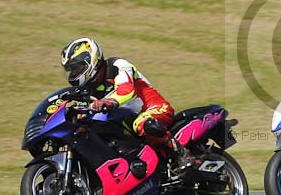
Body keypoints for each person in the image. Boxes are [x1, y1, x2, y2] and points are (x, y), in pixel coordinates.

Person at [60, 37, 193, 177]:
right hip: (125, 120)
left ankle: (181, 153)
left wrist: (107, 102)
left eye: (77, 68)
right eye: (71, 70)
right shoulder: (89, 87)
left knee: (142, 124)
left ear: (91, 60)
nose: (74, 74)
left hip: (153, 108)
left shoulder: (118, 66)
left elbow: (127, 90)